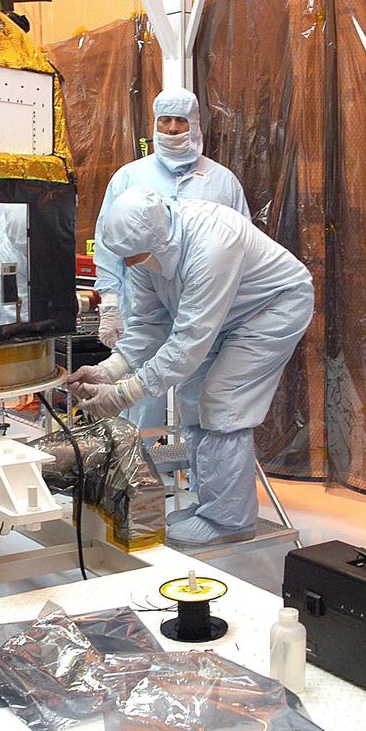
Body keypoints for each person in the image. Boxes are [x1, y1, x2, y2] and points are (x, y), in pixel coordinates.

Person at [68, 186, 313, 545]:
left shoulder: (213, 243)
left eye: (135, 256)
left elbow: (188, 342)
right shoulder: (144, 251)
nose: (130, 264)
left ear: (156, 240)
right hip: (225, 317)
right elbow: (150, 325)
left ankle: (230, 521)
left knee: (222, 399)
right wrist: (110, 369)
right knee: (192, 398)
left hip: (272, 309)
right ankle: (211, 506)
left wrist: (124, 394)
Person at [94, 88, 251, 433]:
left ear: (195, 124)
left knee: (201, 399)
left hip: (205, 305)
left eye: (180, 121)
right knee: (137, 397)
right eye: (165, 121)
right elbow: (110, 243)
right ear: (154, 124)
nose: (172, 129)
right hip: (143, 306)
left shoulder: (222, 182)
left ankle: (199, 477)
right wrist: (110, 303)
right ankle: (138, 476)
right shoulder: (129, 177)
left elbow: (242, 244)